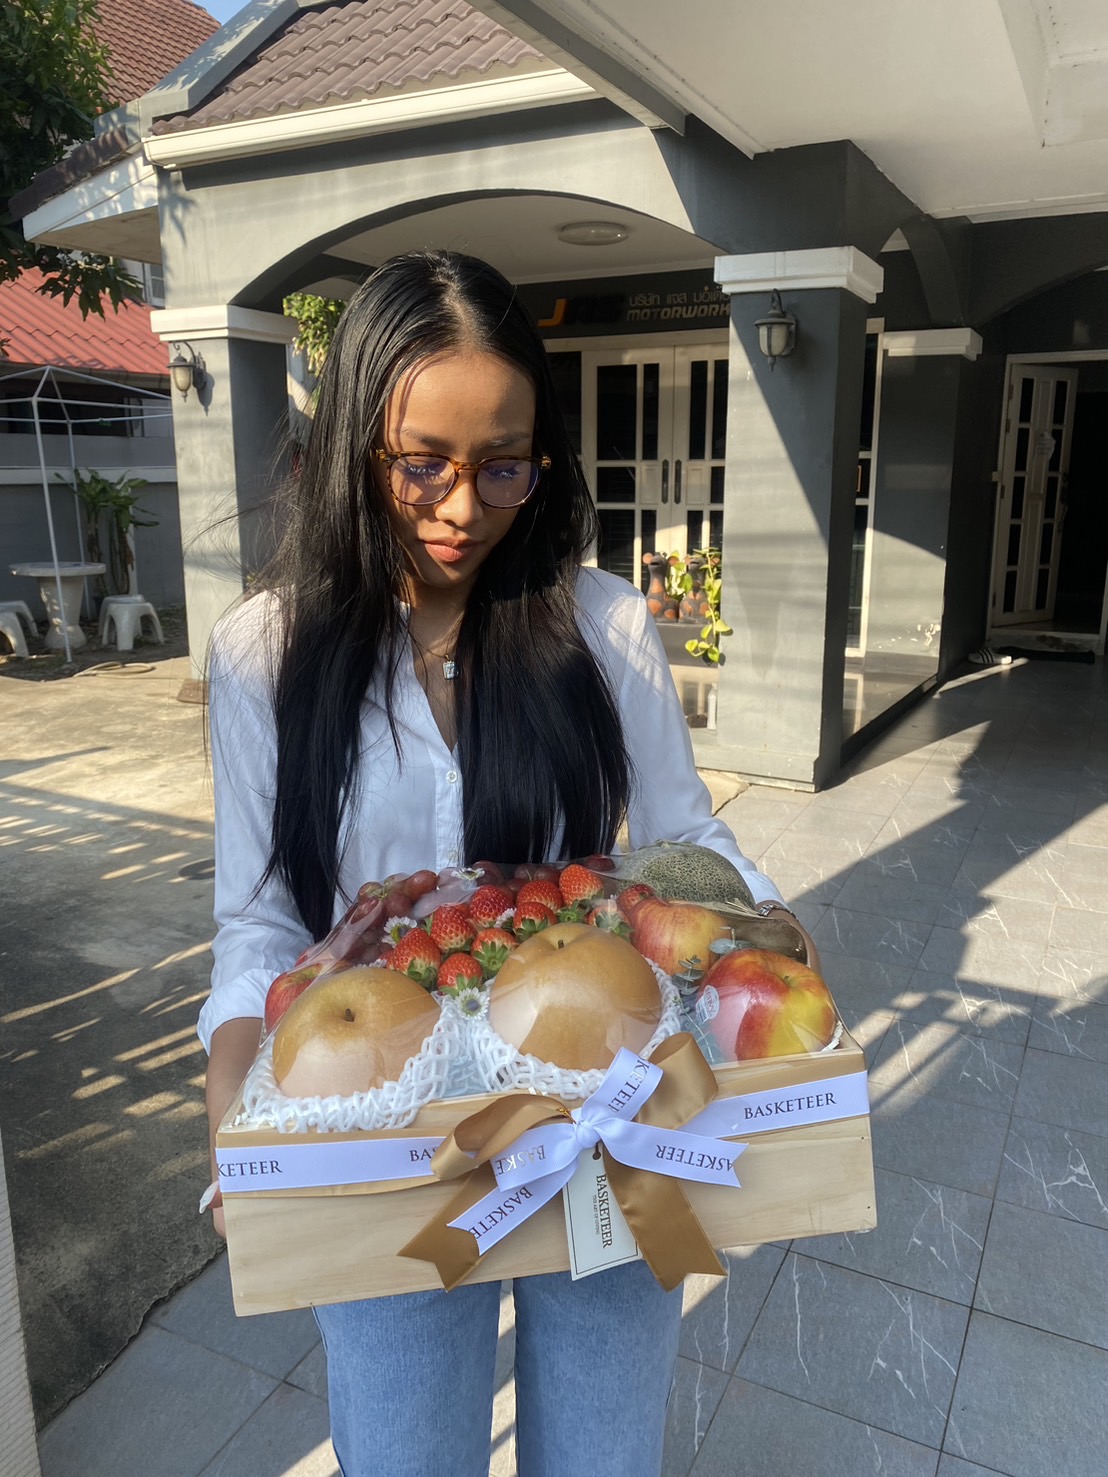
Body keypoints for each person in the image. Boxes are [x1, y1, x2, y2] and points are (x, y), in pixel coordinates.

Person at [201, 249, 807, 1477]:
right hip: (382, 1133)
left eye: (503, 465)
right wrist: (232, 1112)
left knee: (602, 1451)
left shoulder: (600, 624)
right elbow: (262, 920)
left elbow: (684, 843)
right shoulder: (264, 653)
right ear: (352, 445)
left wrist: (771, 935)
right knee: (403, 1450)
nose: (462, 507)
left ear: (543, 460)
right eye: (421, 461)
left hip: (600, 1117)